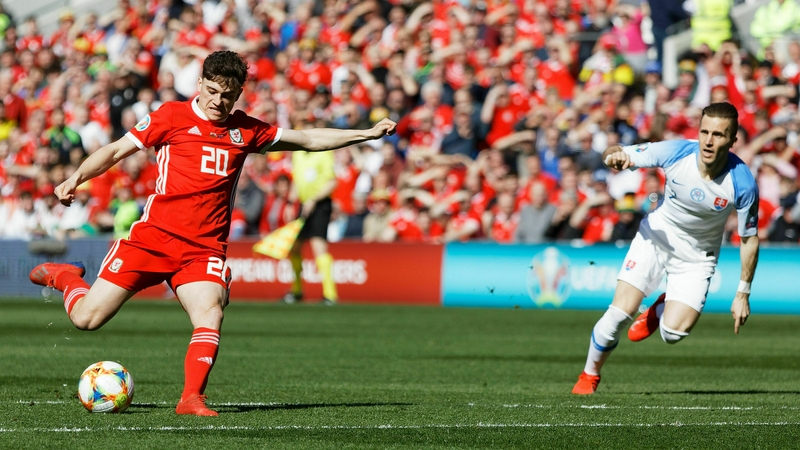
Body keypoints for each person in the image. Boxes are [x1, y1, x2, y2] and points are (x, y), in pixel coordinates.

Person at [28, 51, 396, 416]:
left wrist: (365, 133)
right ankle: (65, 277)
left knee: (210, 312)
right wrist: (76, 178)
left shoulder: (245, 129)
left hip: (203, 250)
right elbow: (115, 151)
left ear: (238, 95)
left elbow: (307, 139)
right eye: (213, 91)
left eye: (228, 96)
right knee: (86, 320)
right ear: (200, 83)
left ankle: (191, 398)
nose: (219, 101)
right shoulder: (170, 116)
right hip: (152, 240)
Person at [572, 103, 759, 395]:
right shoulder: (677, 151)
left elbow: (749, 239)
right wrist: (616, 156)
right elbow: (616, 149)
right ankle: (589, 375)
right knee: (620, 314)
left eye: (719, 135)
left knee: (673, 334)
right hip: (656, 238)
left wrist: (743, 292)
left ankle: (660, 308)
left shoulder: (742, 183)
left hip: (697, 259)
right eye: (704, 132)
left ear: (733, 141)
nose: (709, 141)